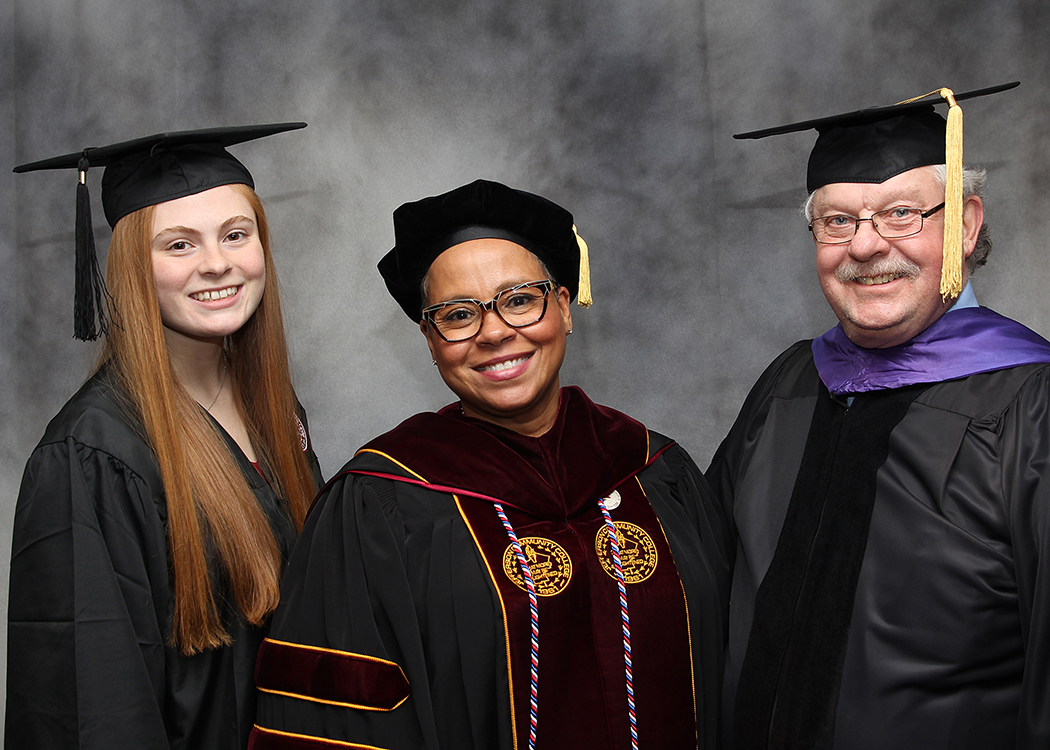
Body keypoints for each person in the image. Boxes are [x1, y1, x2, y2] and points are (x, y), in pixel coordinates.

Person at [250, 178, 732, 750]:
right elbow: (335, 723)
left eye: (520, 299)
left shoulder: (656, 472)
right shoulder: (380, 507)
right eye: (458, 315)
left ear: (564, 306)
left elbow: (737, 671)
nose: (496, 332)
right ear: (431, 340)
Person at [708, 82, 1050, 749]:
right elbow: (703, 585)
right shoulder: (789, 386)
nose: (864, 247)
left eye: (901, 213)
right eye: (837, 221)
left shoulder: (1030, 406)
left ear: (967, 224)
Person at [7, 124, 324, 750]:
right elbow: (92, 704)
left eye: (236, 234)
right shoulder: (93, 454)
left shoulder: (272, 408)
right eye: (178, 245)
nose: (216, 263)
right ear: (132, 267)